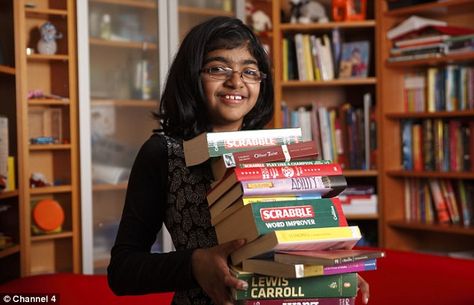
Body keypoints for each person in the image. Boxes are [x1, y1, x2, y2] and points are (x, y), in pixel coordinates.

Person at [107, 16, 370, 305]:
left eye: (250, 71)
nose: (236, 82)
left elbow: (294, 235)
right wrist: (194, 264)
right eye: (218, 69)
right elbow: (122, 271)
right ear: (191, 75)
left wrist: (329, 270)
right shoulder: (163, 153)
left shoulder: (275, 150)